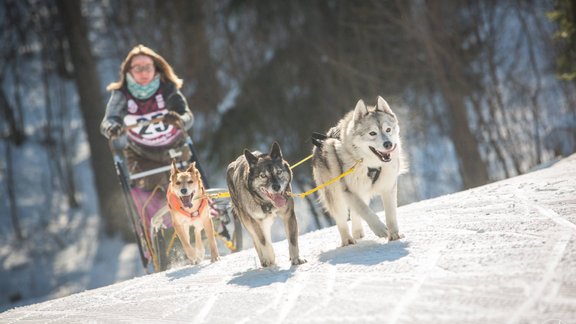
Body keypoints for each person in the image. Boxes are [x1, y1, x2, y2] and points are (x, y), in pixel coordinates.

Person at [101, 44, 194, 190]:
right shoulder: (122, 94)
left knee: (188, 197)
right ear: (128, 71)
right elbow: (109, 119)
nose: (143, 72)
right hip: (142, 157)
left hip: (175, 151)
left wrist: (179, 120)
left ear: (155, 68)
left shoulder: (167, 88)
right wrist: (111, 128)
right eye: (138, 68)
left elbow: (186, 116)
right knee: (153, 205)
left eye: (148, 67)